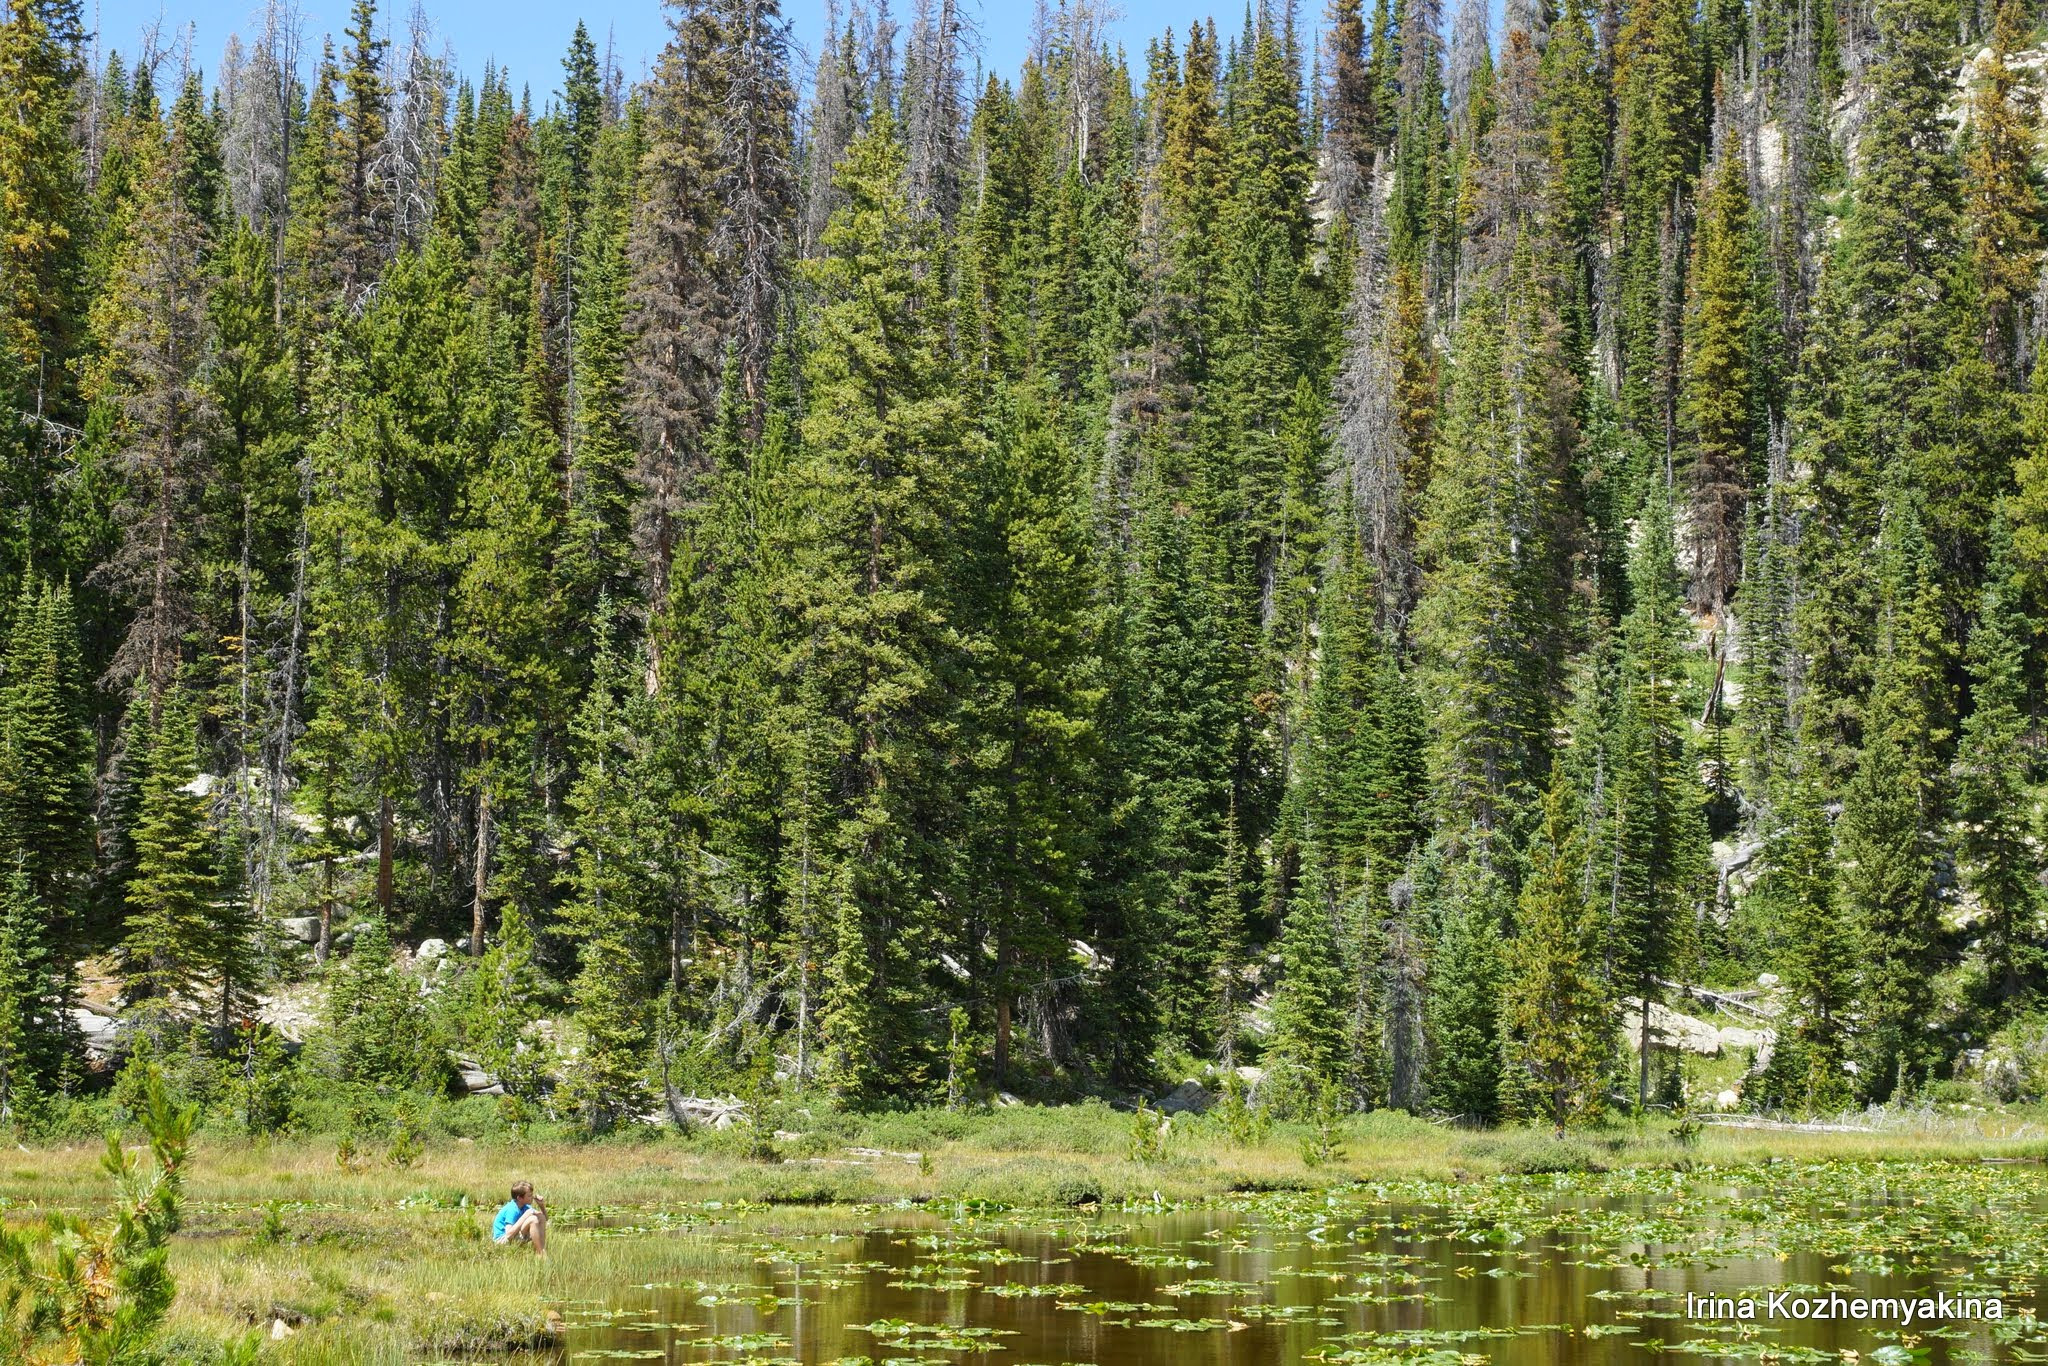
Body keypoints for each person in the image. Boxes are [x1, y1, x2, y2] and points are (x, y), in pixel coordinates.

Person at [492, 1180, 547, 1254]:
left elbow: (544, 1219)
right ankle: (540, 1253)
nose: (532, 1197)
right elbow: (508, 1234)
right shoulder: (512, 1209)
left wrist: (541, 1206)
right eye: (529, 1195)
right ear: (519, 1198)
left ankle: (542, 1249)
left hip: (513, 1236)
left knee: (540, 1217)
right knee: (533, 1219)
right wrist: (525, 1216)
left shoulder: (525, 1206)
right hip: (502, 1239)